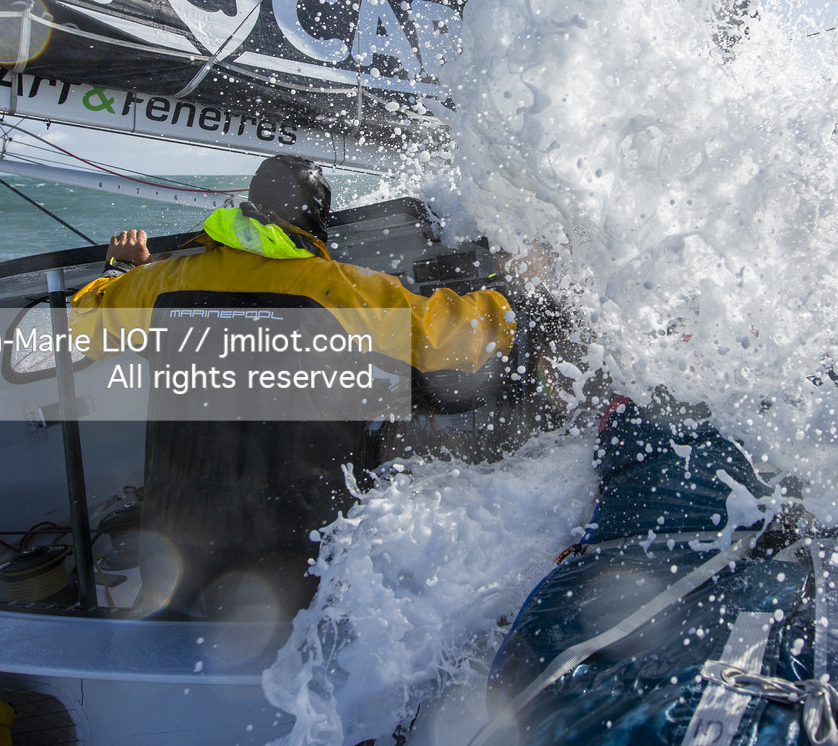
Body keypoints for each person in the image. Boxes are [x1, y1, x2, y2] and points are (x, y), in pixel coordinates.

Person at [69, 154, 520, 619]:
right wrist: (509, 288)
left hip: (176, 560)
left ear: (249, 205)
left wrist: (123, 272)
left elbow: (85, 331)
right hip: (293, 562)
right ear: (316, 222)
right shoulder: (336, 288)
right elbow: (456, 338)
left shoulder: (162, 282)